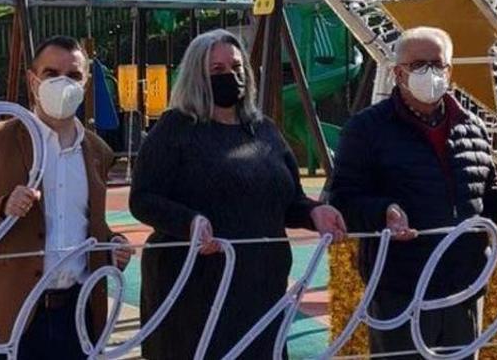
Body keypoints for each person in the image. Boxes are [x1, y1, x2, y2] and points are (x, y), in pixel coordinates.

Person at [129, 29, 348, 360]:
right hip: (193, 290)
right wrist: (189, 223)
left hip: (261, 285)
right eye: (216, 70)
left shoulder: (265, 130)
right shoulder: (175, 128)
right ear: (196, 76)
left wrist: (314, 212)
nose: (230, 75)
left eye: (236, 66)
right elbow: (142, 198)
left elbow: (289, 201)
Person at [329, 27, 497, 360]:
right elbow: (342, 200)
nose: (430, 73)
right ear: (398, 73)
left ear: (450, 70)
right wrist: (385, 212)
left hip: (462, 290)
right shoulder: (366, 129)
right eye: (418, 65)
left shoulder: (473, 127)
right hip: (400, 290)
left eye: (437, 64)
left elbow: (480, 194)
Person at [0, 36, 132, 360]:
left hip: (79, 315)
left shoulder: (97, 151)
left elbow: (90, 224)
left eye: (73, 75)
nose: (63, 83)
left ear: (86, 82)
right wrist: (2, 206)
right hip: (11, 317)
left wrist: (113, 242)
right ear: (33, 81)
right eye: (51, 73)